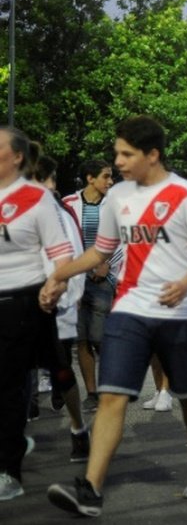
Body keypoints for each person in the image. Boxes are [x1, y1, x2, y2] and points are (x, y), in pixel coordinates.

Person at [44, 115, 187, 516]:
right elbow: (100, 252)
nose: (118, 162)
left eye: (126, 154)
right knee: (112, 397)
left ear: (152, 154)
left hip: (181, 313)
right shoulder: (117, 197)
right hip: (129, 309)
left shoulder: (184, 193)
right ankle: (90, 489)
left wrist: (186, 282)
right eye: (116, 153)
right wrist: (59, 274)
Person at [0, 129, 73, 502]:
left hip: (21, 302)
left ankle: (8, 470)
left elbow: (61, 256)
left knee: (9, 386)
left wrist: (53, 285)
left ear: (16, 158)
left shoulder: (36, 199)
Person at [28, 151, 90, 462]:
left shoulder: (61, 217)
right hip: (17, 307)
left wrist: (63, 302)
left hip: (53, 310)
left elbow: (74, 263)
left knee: (61, 373)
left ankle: (79, 429)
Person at [62, 159, 116, 412]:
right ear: (90, 178)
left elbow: (122, 240)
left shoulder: (114, 204)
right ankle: (92, 393)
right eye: (106, 176)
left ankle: (110, 388)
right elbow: (63, 239)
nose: (110, 181)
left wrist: (106, 265)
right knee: (81, 339)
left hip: (102, 279)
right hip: (76, 278)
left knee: (100, 337)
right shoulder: (68, 204)